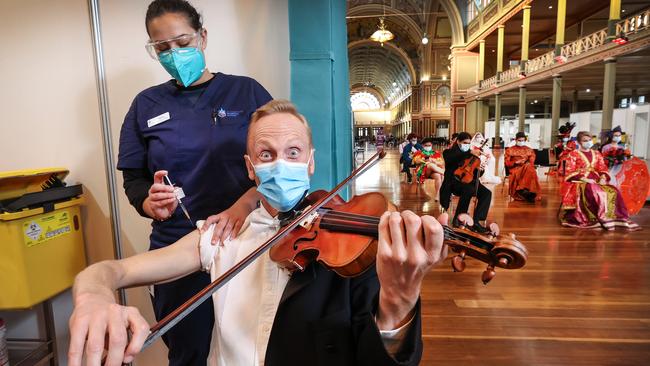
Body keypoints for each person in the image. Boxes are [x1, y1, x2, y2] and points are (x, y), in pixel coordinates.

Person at [68, 100, 448, 366]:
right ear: (251, 168)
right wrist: (94, 296)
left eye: (294, 152)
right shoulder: (221, 235)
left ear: (310, 162)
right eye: (267, 155)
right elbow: (110, 271)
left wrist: (398, 302)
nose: (281, 163)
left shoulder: (352, 246)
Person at [116, 1, 272, 363]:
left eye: (182, 41)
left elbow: (276, 162)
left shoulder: (246, 93)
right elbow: (133, 178)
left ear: (202, 37)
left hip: (245, 240)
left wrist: (244, 204)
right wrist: (146, 201)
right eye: (163, 48)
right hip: (178, 251)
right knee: (189, 352)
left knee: (253, 348)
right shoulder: (146, 105)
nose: (174, 53)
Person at [559, 131, 639, 230]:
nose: (588, 142)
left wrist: (603, 178)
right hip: (580, 180)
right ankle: (595, 217)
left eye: (589, 140)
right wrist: (585, 179)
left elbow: (602, 168)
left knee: (614, 191)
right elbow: (569, 170)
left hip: (596, 179)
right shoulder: (573, 154)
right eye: (585, 141)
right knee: (596, 191)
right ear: (579, 142)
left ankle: (615, 218)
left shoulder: (596, 153)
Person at [439, 132, 492, 233]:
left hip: (469, 180)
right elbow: (454, 157)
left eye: (468, 143)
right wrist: (470, 152)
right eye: (464, 142)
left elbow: (476, 174)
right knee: (469, 189)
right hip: (454, 182)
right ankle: (458, 219)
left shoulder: (472, 155)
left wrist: (481, 169)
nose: (466, 145)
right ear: (458, 141)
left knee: (487, 193)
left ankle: (476, 221)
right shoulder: (448, 152)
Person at [504, 132, 541, 202]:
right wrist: (515, 162)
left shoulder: (529, 150)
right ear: (516, 140)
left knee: (529, 167)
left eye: (522, 141)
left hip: (526, 167)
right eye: (519, 140)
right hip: (515, 168)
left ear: (525, 140)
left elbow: (532, 161)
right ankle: (525, 191)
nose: (521, 142)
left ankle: (523, 190)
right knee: (530, 169)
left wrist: (524, 162)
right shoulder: (509, 150)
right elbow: (507, 163)